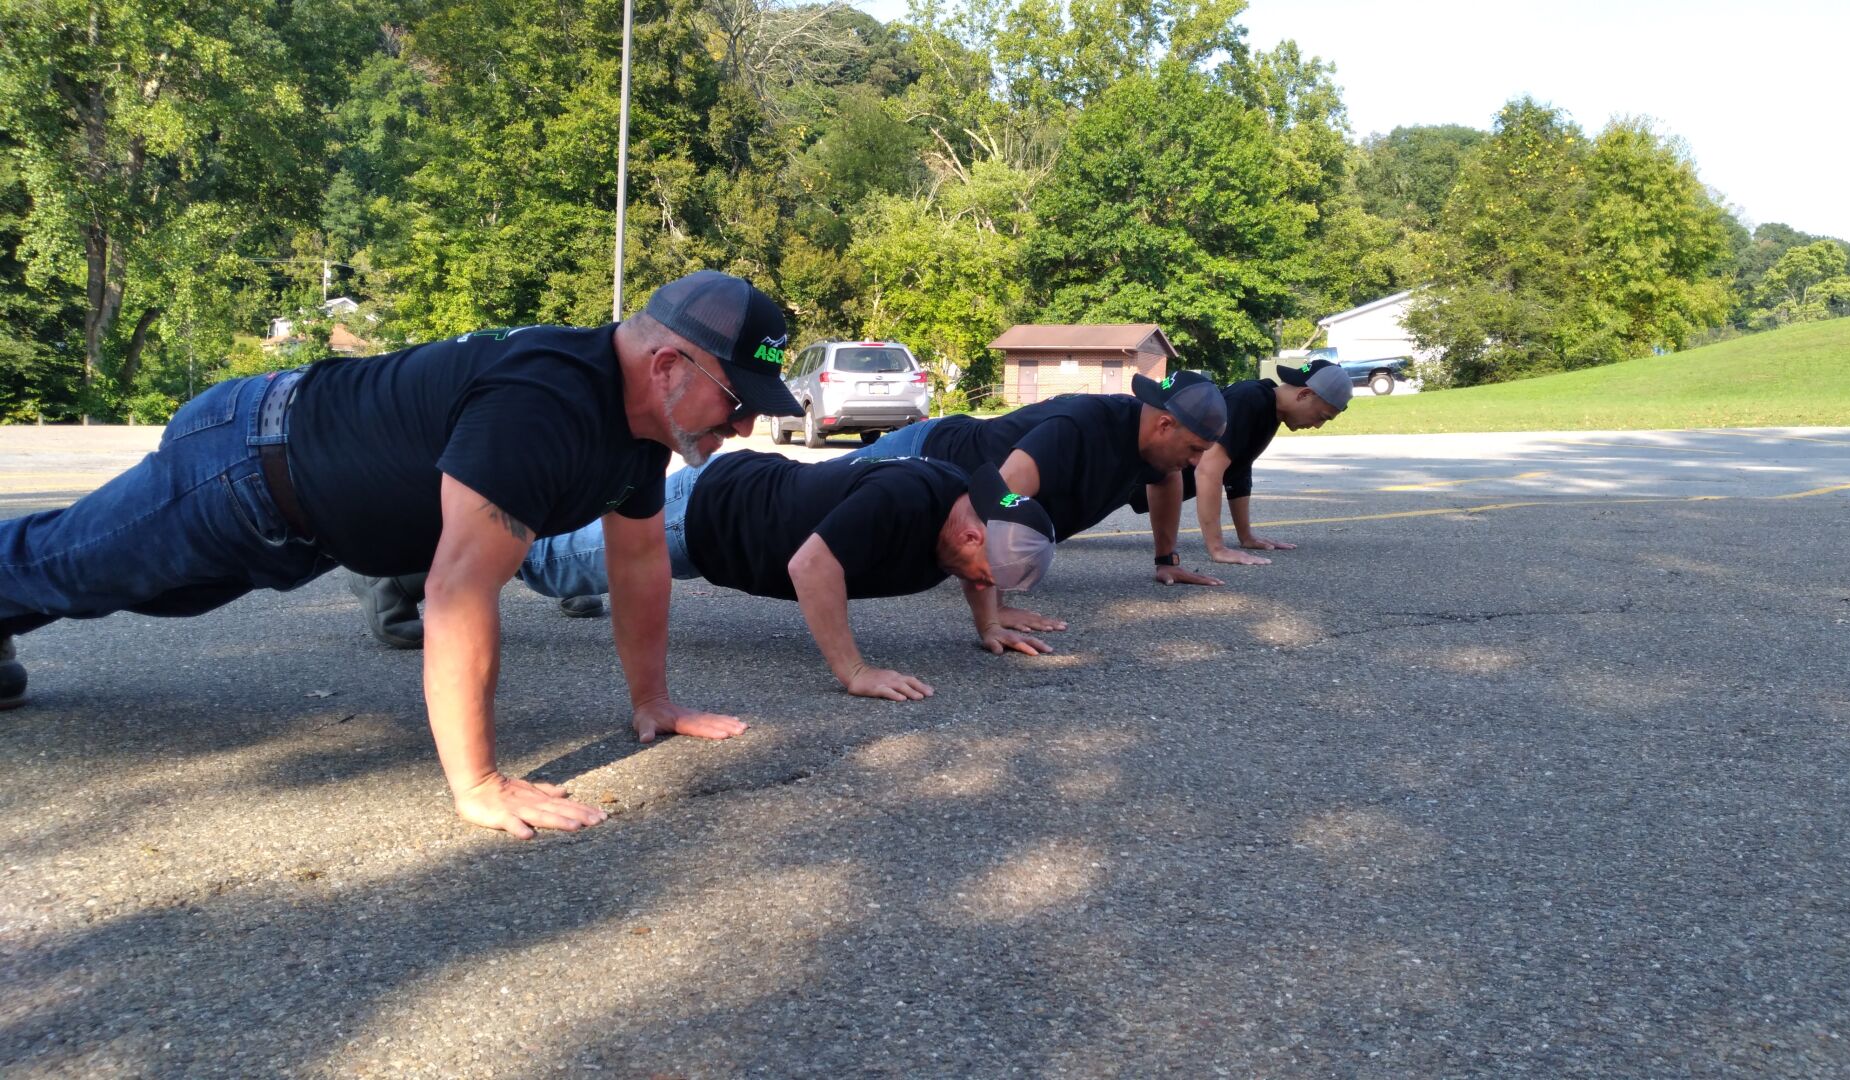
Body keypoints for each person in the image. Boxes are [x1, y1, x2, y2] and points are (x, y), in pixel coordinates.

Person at [0, 270, 803, 840]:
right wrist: (479, 784)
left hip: (299, 520)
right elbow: (458, 591)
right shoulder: (545, 405)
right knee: (68, 568)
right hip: (242, 463)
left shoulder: (638, 440)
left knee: (139, 591)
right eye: (737, 404)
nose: (742, 429)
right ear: (667, 365)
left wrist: (654, 701)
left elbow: (637, 566)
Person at [514, 451, 1058, 699]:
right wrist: (855, 670)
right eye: (989, 577)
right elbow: (811, 565)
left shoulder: (971, 506)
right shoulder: (904, 500)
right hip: (707, 517)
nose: (986, 587)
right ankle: (445, 548)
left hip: (742, 497)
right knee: (545, 567)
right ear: (971, 534)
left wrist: (988, 626)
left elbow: (978, 572)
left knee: (562, 543)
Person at [839, 370, 1229, 630]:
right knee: (813, 505)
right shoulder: (1079, 429)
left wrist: (1167, 560)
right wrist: (995, 611)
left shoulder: (1154, 448)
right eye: (1195, 449)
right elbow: (997, 502)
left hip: (946, 480)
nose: (1197, 462)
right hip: (923, 451)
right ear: (1164, 424)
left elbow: (1166, 480)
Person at [1126, 357, 1351, 565]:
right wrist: (1217, 549)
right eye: (1322, 417)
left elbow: (1238, 470)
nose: (1317, 426)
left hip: (1151, 487)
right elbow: (1207, 470)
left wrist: (1246, 536)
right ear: (1304, 394)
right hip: (1131, 480)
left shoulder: (1268, 411)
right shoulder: (1250, 399)